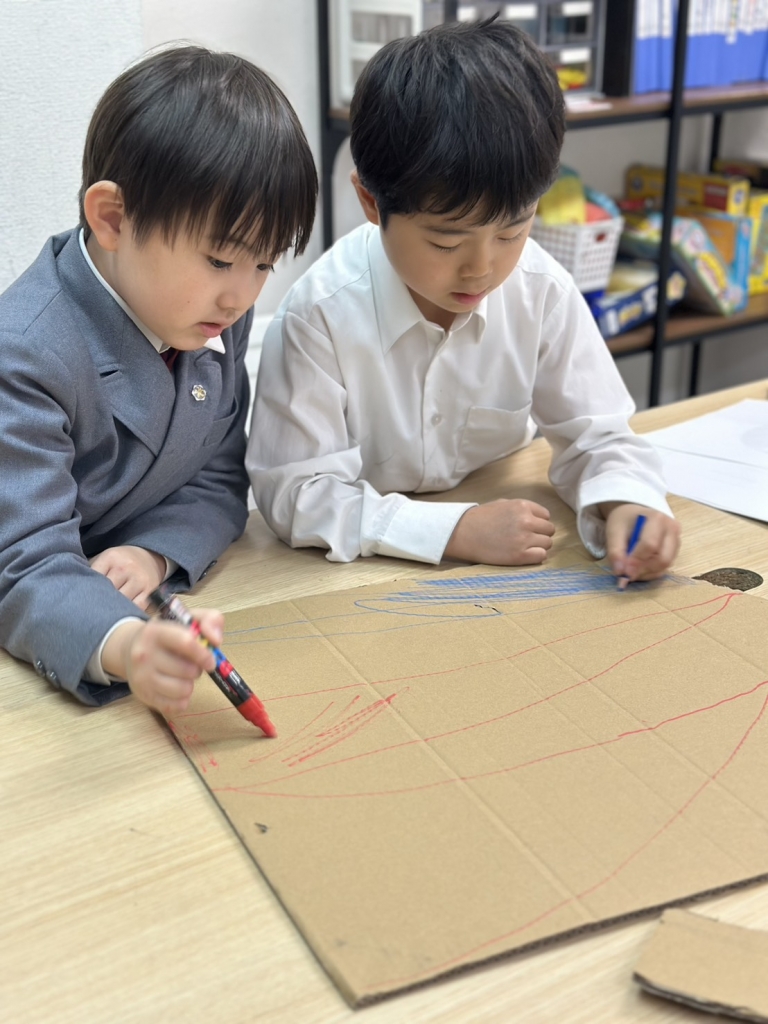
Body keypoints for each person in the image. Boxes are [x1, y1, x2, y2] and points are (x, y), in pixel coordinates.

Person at [247, 17, 680, 580]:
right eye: (446, 242)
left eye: (512, 232)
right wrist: (452, 530)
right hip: (364, 572)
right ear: (371, 202)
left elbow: (598, 436)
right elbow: (296, 492)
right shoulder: (319, 316)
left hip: (503, 545)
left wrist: (627, 501)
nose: (483, 267)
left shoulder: (541, 289)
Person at [0, 45, 317, 715]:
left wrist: (153, 554)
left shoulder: (207, 311)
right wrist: (125, 644)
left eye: (264, 263)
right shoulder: (24, 354)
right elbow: (22, 561)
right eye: (221, 259)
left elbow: (217, 474)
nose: (241, 296)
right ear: (112, 218)